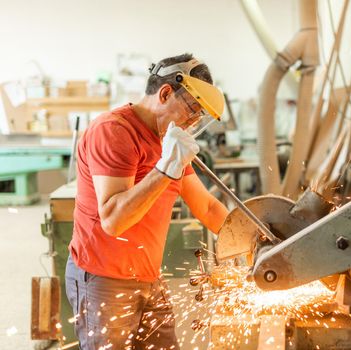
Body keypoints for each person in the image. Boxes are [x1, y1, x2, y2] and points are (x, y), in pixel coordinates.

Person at [65, 53, 229, 350]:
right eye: (192, 110)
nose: (192, 123)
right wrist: (166, 167)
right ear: (166, 93)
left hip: (148, 279)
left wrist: (252, 240)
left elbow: (205, 206)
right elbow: (113, 220)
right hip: (104, 280)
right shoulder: (114, 131)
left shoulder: (168, 142)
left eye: (198, 117)